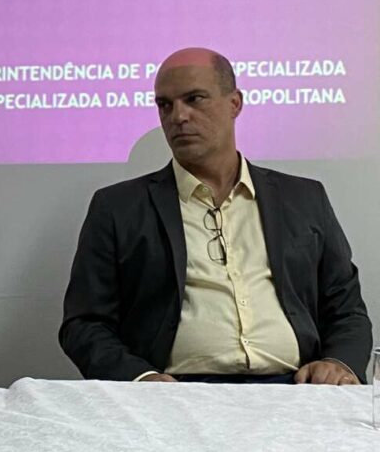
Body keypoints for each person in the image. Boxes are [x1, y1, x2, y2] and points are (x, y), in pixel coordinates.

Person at [60, 48, 371, 384]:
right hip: (173, 392)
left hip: (295, 387)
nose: (178, 116)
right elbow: (85, 324)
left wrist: (338, 362)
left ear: (235, 103)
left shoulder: (304, 199)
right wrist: (140, 378)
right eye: (165, 105)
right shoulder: (118, 208)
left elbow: (346, 308)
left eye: (194, 99)